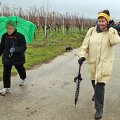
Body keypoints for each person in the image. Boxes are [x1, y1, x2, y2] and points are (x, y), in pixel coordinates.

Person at [78, 10, 120, 120]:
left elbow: (115, 41)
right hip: (93, 63)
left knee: (100, 85)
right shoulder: (91, 31)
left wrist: (110, 29)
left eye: (103, 21)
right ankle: (95, 93)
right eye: (99, 20)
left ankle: (99, 109)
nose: (101, 23)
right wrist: (82, 56)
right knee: (94, 82)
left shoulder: (112, 31)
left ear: (107, 21)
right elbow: (84, 46)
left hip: (105, 64)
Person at [0, 20, 27, 96]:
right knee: (6, 72)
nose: (8, 30)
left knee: (20, 69)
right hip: (7, 57)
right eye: (7, 28)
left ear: (14, 28)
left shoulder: (20, 36)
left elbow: (23, 47)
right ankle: (6, 87)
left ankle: (23, 77)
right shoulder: (4, 36)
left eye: (10, 28)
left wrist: (15, 49)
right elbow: (1, 47)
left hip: (18, 58)